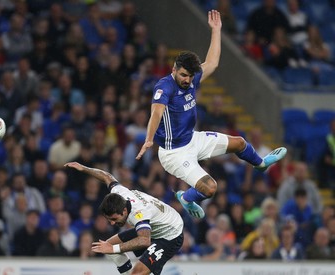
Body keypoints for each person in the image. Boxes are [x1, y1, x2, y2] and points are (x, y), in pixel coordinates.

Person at [136, 10, 287, 219]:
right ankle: (186, 198)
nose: (187, 80)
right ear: (174, 69)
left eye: (190, 76)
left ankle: (260, 165)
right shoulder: (165, 87)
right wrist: (149, 139)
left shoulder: (191, 79)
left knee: (240, 143)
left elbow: (213, 63)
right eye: (183, 75)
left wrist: (216, 30)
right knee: (210, 188)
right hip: (174, 154)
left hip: (193, 139)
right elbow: (156, 113)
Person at [65, 162, 184, 275]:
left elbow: (144, 240)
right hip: (155, 226)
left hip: (170, 235)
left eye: (114, 219)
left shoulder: (139, 213)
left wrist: (113, 248)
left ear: (124, 211)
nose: (112, 223)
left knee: (133, 268)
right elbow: (106, 176)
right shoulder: (119, 192)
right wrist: (84, 168)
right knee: (108, 246)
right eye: (109, 220)